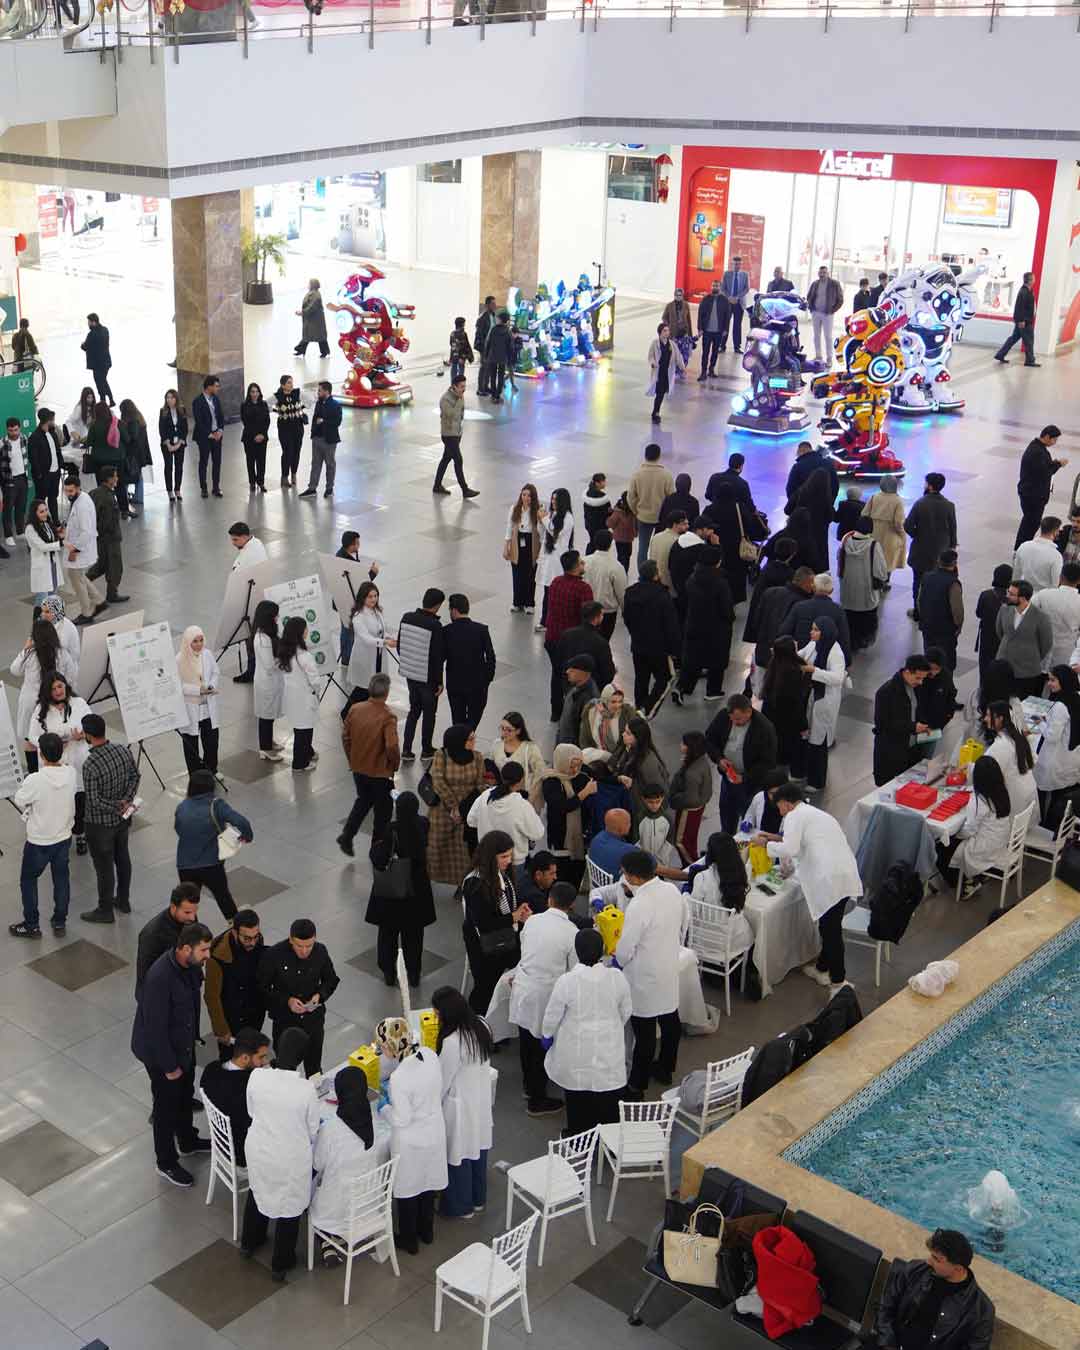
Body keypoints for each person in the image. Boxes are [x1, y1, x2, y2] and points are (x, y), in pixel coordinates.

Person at [755, 783, 862, 992]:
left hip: (828, 879)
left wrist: (765, 845)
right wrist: (774, 838)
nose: (779, 811)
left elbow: (790, 848)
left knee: (831, 932)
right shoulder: (814, 813)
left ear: (786, 803)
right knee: (829, 926)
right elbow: (801, 841)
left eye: (779, 806)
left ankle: (839, 983)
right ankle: (821, 968)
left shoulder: (793, 816)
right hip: (844, 873)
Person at [131, 922, 214, 1187]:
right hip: (161, 1055)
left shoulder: (192, 966)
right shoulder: (159, 978)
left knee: (184, 1095)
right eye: (204, 950)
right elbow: (155, 1029)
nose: (208, 955)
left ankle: (187, 1140)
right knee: (166, 1106)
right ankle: (165, 1161)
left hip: (183, 1046)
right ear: (186, 949)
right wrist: (169, 1067)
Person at [241, 1026, 321, 1279]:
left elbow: (251, 1111)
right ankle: (281, 1262)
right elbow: (313, 1130)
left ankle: (249, 1242)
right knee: (289, 1207)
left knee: (258, 1190)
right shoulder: (306, 1090)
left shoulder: (257, 1077)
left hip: (259, 1148)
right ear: (301, 1057)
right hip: (290, 1157)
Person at [543, 927, 632, 1136]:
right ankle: (608, 1142)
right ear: (602, 950)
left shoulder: (567, 981)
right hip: (609, 1049)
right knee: (609, 1098)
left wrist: (547, 1034)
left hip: (576, 1051)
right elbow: (626, 1010)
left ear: (577, 951)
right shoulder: (617, 977)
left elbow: (552, 1014)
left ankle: (578, 1139)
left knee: (578, 1097)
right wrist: (611, 1026)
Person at [615, 850, 685, 1094]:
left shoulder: (639, 904)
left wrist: (618, 961)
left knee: (644, 1035)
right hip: (668, 965)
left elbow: (626, 948)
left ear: (634, 877)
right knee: (670, 1021)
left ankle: (637, 1084)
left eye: (625, 873)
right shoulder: (671, 890)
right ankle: (666, 1068)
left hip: (644, 976)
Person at [377, 1018, 447, 1254]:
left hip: (411, 1141)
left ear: (390, 1045)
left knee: (408, 1191)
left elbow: (401, 1119)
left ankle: (409, 1240)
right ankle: (426, 1232)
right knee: (427, 1185)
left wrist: (385, 1107)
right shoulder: (429, 1055)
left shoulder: (399, 1078)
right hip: (434, 1132)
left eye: (383, 1046)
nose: (382, 1051)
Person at [508, 879, 577, 1118]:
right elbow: (573, 972)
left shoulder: (533, 921)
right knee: (540, 1047)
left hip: (524, 987)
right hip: (545, 995)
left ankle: (530, 1087)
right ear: (572, 905)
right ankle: (537, 1100)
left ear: (549, 900)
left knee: (526, 1042)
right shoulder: (571, 932)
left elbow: (526, 949)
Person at [871, 1227, 995, 1350]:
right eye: (932, 1255)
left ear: (958, 1268)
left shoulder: (982, 1310)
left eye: (937, 1259)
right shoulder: (915, 1270)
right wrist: (888, 1344)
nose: (929, 1261)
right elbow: (885, 1307)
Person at [430, 987, 494, 1220]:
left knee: (458, 1156)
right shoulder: (482, 1025)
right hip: (480, 1101)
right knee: (477, 1151)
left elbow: (442, 1081)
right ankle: (478, 1199)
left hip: (459, 1107)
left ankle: (461, 1206)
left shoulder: (452, 1042)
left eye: (437, 1014)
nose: (436, 1018)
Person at [308, 1066, 378, 1268]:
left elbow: (317, 1164)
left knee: (312, 1189)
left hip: (336, 1207)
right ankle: (334, 1239)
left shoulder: (331, 1129)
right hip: (366, 1203)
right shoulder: (370, 1122)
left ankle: (327, 1242)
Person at [9, 731, 75, 939]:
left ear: (41, 755)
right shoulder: (71, 773)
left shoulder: (35, 780)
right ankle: (59, 922)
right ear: (62, 751)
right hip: (63, 837)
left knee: (28, 880)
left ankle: (32, 925)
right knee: (61, 879)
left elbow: (20, 799)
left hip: (39, 841)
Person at [367, 790, 434, 987]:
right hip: (417, 890)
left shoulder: (391, 829)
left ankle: (389, 972)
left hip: (393, 889)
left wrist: (376, 848)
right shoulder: (423, 824)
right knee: (414, 935)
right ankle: (414, 973)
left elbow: (379, 859)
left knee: (388, 933)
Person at [259, 918, 340, 1079]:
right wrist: (287, 1001)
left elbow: (331, 980)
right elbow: (262, 988)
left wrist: (320, 996)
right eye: (299, 946)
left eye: (309, 946)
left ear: (315, 939)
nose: (304, 951)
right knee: (284, 1069)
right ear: (291, 940)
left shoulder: (320, 951)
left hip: (313, 1021)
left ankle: (315, 1092)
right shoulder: (274, 955)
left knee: (314, 1068)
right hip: (285, 1022)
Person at [78, 713, 139, 924]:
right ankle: (123, 900)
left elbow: (94, 800)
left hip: (99, 826)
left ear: (88, 735)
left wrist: (116, 806)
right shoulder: (123, 750)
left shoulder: (90, 764)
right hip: (122, 821)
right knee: (123, 858)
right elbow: (135, 776)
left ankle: (105, 910)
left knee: (104, 868)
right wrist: (126, 801)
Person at [460, 829, 527, 1015]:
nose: (509, 860)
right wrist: (513, 917)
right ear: (490, 856)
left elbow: (505, 906)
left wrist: (519, 913)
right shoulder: (474, 883)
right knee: (485, 990)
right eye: (504, 856)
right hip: (484, 945)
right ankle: (478, 1023)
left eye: (510, 855)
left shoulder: (500, 874)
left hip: (503, 937)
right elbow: (483, 923)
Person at [175, 769, 252, 920]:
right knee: (222, 895)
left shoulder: (182, 806)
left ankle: (192, 929)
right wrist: (247, 837)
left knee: (189, 904)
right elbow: (241, 822)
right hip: (212, 864)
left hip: (185, 864)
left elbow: (179, 829)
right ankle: (233, 924)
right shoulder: (216, 805)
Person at [338, 672, 399, 856]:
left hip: (358, 768)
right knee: (383, 812)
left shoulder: (355, 709)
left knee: (363, 800)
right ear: (386, 693)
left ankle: (347, 835)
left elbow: (345, 737)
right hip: (380, 772)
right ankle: (377, 849)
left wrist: (352, 759)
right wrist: (394, 765)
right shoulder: (388, 716)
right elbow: (391, 746)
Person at [936, 757, 1014, 900]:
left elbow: (969, 831)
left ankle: (966, 884)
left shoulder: (979, 800)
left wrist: (953, 835)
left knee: (940, 849)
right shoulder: (1001, 790)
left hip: (984, 847)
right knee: (950, 840)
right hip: (1000, 841)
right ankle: (975, 875)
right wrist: (966, 765)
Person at [705, 693, 778, 832]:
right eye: (732, 719)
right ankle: (727, 839)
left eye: (738, 719)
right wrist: (719, 759)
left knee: (749, 820)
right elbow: (709, 739)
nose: (734, 722)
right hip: (728, 779)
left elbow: (768, 762)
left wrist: (744, 777)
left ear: (749, 712)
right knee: (727, 815)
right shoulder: (724, 716)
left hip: (751, 785)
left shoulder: (764, 728)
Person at [199, 1028, 270, 1167]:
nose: (265, 1061)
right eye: (261, 1057)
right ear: (244, 1057)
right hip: (242, 1154)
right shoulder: (248, 1089)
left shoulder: (211, 1069)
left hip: (222, 1141)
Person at [427, 724, 486, 887]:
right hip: (443, 810)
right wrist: (454, 806)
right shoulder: (441, 755)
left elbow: (481, 784)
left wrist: (462, 809)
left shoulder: (477, 757)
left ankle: (463, 884)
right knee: (437, 846)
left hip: (467, 810)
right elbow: (438, 782)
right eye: (470, 739)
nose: (474, 742)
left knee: (464, 850)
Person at [675, 547, 735, 703]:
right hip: (717, 629)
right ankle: (713, 691)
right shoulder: (721, 583)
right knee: (717, 661)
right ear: (717, 562)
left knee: (693, 660)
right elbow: (727, 609)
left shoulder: (691, 579)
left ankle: (682, 687)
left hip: (694, 624)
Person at [622, 559, 681, 714]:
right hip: (658, 647)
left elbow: (626, 617)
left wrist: (635, 633)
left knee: (641, 678)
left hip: (638, 644)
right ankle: (647, 710)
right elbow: (671, 625)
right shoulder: (662, 595)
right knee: (665, 678)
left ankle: (639, 707)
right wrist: (675, 649)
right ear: (655, 576)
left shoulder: (630, 593)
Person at [204, 909, 266, 1058]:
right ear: (234, 932)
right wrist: (221, 1030)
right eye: (247, 938)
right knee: (231, 1059)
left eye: (255, 937)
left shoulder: (257, 940)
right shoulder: (217, 956)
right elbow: (211, 997)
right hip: (232, 1019)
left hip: (254, 1012)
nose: (252, 942)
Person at [397, 587, 445, 764]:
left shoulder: (407, 617)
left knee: (414, 711)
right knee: (429, 714)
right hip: (427, 678)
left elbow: (400, 646)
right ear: (437, 606)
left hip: (411, 674)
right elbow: (437, 657)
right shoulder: (435, 626)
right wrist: (439, 681)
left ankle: (406, 749)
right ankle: (426, 749)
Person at [797, 618, 846, 793]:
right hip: (811, 696)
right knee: (807, 737)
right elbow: (800, 655)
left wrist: (814, 671)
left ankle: (817, 781)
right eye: (812, 629)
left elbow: (837, 678)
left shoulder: (836, 652)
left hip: (825, 700)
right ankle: (803, 772)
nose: (812, 632)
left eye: (816, 630)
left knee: (819, 740)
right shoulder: (813, 645)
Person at [544, 551, 593, 720]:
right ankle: (571, 714)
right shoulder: (583, 589)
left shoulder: (556, 582)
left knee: (557, 673)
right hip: (571, 642)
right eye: (581, 562)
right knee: (573, 677)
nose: (583, 564)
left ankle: (555, 711)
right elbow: (588, 616)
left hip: (552, 637)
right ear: (575, 567)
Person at [904, 473, 958, 620]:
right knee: (937, 584)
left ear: (930, 486)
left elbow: (908, 525)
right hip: (940, 553)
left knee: (918, 582)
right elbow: (953, 529)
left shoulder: (920, 503)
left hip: (920, 552)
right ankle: (933, 612)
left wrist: (916, 535)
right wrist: (952, 547)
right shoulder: (949, 505)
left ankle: (918, 611)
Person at [468, 763, 544, 864]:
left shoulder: (485, 796)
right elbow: (538, 833)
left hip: (487, 859)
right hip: (513, 862)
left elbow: (471, 821)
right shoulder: (521, 805)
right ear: (521, 780)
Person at [873, 656, 932, 785]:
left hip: (911, 750)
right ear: (907, 672)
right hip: (891, 753)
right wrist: (913, 727)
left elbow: (918, 710)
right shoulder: (886, 692)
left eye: (923, 678)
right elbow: (883, 724)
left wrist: (922, 724)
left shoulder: (917, 687)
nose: (921, 682)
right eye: (918, 678)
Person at [690, 832, 755, 951]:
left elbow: (693, 911)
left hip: (707, 941)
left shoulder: (702, 877)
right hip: (736, 939)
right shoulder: (740, 873)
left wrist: (685, 896)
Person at [135, 883, 201, 997]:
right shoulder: (152, 935)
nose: (193, 917)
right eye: (187, 912)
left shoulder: (188, 920)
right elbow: (145, 975)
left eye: (195, 911)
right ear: (173, 907)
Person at [1034, 665, 1080, 827]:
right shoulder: (1076, 696)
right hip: (1071, 759)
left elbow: (1052, 736)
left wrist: (1040, 723)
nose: (1049, 684)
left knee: (1043, 797)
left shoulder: (1060, 705)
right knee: (1060, 800)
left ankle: (1041, 826)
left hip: (1055, 760)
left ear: (1064, 681)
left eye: (1053, 680)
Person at [542, 744, 595, 886]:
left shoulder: (581, 776)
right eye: (572, 766)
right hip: (560, 837)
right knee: (562, 876)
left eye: (579, 765)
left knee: (577, 873)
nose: (575, 770)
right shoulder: (551, 781)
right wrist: (584, 793)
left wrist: (619, 779)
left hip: (580, 838)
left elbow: (602, 777)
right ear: (562, 762)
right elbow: (562, 806)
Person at [444, 592, 497, 727]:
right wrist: (488, 678)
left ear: (454, 610)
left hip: (455, 684)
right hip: (478, 684)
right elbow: (491, 656)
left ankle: (460, 738)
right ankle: (468, 736)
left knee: (457, 720)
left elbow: (440, 658)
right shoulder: (481, 630)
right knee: (473, 720)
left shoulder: (447, 631)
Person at [777, 572, 852, 662]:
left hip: (801, 659)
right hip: (826, 660)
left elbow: (784, 632)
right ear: (831, 591)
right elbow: (844, 639)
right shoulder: (838, 611)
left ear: (813, 588)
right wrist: (846, 661)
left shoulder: (799, 607)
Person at [839, 515, 889, 650]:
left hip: (848, 591)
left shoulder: (845, 542)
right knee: (865, 622)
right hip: (866, 593)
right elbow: (881, 571)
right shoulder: (873, 545)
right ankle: (863, 641)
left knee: (850, 620)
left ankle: (850, 641)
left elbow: (840, 562)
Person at [995, 580, 1052, 697]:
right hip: (1004, 665)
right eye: (1008, 592)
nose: (1007, 596)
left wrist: (1031, 655)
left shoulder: (1041, 617)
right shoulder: (1004, 609)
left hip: (1027, 671)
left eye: (1011, 594)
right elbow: (999, 631)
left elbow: (1046, 643)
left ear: (1023, 598)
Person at [278, 616, 320, 772]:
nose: (307, 630)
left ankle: (307, 754)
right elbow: (315, 681)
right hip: (305, 699)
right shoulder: (305, 657)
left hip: (291, 698)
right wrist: (316, 693)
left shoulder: (284, 653)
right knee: (305, 731)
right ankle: (300, 763)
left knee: (299, 728)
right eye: (305, 628)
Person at [176, 625, 220, 775]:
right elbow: (178, 686)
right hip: (191, 709)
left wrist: (211, 686)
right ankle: (195, 775)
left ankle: (211, 770)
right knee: (191, 745)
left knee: (211, 742)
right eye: (195, 641)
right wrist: (198, 690)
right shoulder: (179, 660)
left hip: (207, 708)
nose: (199, 644)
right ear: (188, 642)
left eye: (201, 640)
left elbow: (215, 672)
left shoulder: (207, 654)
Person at [983, 700, 1037, 819]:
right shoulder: (1017, 735)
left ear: (1000, 718)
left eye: (988, 715)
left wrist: (969, 768)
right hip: (1027, 791)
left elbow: (986, 771)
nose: (985, 719)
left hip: (1015, 796)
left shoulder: (1001, 745)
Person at [1014, 425, 1065, 549]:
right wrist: (1058, 464)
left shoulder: (1038, 448)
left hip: (1031, 493)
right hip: (1033, 495)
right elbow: (1044, 473)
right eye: (1054, 439)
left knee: (1030, 523)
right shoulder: (1037, 452)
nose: (1055, 442)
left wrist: (1053, 463)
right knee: (1030, 524)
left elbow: (1042, 467)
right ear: (1047, 436)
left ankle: (1022, 548)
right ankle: (1021, 548)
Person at [344, 578, 393, 706]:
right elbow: (366, 638)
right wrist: (384, 642)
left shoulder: (377, 612)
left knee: (374, 686)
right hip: (365, 658)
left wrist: (389, 638)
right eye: (370, 596)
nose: (374, 599)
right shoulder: (358, 616)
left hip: (378, 656)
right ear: (363, 598)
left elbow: (382, 630)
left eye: (375, 596)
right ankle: (346, 713)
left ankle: (368, 712)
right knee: (363, 689)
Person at [84, 466, 128, 605]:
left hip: (98, 537)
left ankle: (83, 581)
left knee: (102, 564)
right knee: (115, 566)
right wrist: (110, 533)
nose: (117, 478)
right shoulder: (108, 497)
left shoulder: (94, 493)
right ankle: (112, 594)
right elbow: (108, 521)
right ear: (109, 479)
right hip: (110, 538)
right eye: (115, 476)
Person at [628, 443, 675, 571]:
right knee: (660, 547)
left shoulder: (637, 475)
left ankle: (643, 574)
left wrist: (636, 511)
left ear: (645, 456)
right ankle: (658, 572)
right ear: (659, 456)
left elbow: (630, 497)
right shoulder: (666, 475)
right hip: (662, 518)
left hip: (643, 517)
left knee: (643, 547)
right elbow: (671, 497)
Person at [667, 731, 713, 862]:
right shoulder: (701, 761)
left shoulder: (692, 773)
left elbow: (690, 799)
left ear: (691, 747)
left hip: (688, 810)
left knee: (681, 841)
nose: (680, 745)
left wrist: (674, 800)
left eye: (683, 743)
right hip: (699, 806)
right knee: (691, 839)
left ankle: (690, 865)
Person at [250, 599, 286, 761]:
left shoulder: (268, 634)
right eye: (275, 616)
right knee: (265, 715)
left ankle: (269, 741)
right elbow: (269, 665)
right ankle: (265, 748)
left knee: (269, 714)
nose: (277, 618)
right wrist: (284, 658)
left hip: (272, 682)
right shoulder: (262, 639)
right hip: (266, 683)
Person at [917, 549, 964, 672]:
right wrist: (958, 627)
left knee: (929, 660)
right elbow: (957, 611)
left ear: (939, 561)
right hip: (945, 632)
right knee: (945, 664)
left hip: (928, 627)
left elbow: (919, 601)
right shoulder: (953, 583)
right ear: (954, 563)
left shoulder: (926, 577)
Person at [433, 375, 479, 498]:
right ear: (454, 387)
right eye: (461, 387)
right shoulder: (445, 399)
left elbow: (461, 413)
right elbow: (451, 414)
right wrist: (458, 400)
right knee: (458, 460)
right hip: (449, 435)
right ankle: (465, 489)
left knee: (446, 459)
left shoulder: (460, 396)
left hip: (456, 433)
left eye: (465, 386)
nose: (464, 389)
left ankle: (437, 485)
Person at [1032, 562, 1080, 667]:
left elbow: (1027, 613)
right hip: (1066, 656)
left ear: (1061, 577)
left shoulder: (1044, 594)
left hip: (1040, 652)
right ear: (1079, 581)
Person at [492, 710, 547, 801]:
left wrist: (531, 797)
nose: (504, 733)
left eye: (509, 730)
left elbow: (540, 774)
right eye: (502, 728)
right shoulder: (497, 744)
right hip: (500, 793)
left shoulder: (530, 749)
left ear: (518, 731)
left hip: (521, 796)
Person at [790, 467, 835, 574]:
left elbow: (787, 510)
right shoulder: (826, 498)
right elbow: (831, 517)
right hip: (819, 538)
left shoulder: (800, 492)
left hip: (800, 533)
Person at [582, 530, 627, 638]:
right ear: (611, 544)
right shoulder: (616, 566)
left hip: (585, 609)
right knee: (603, 641)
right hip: (607, 613)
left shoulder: (584, 561)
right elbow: (621, 593)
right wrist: (625, 611)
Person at [505, 482, 541, 613]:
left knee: (530, 575)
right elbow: (509, 527)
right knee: (517, 574)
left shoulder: (537, 510)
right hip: (517, 542)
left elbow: (541, 530)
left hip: (531, 543)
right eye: (524, 494)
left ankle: (529, 603)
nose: (526, 498)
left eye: (529, 495)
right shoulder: (515, 508)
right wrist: (506, 546)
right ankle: (517, 602)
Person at [994, 270, 1039, 368]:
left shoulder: (1028, 291)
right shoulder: (1024, 292)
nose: (1034, 280)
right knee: (1029, 340)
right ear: (1030, 280)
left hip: (1024, 320)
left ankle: (1000, 354)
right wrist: (1021, 320)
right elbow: (1020, 307)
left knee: (1013, 338)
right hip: (1024, 321)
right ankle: (1030, 360)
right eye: (1033, 278)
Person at [974, 564, 1013, 680]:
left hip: (986, 638)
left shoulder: (986, 595)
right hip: (1003, 641)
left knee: (984, 667)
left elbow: (978, 613)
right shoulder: (1011, 601)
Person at [24, 498, 64, 605]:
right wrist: (61, 543)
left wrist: (60, 536)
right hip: (42, 567)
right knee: (42, 600)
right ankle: (38, 616)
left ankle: (51, 616)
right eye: (41, 511)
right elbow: (42, 547)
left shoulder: (47, 523)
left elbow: (52, 539)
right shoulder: (30, 528)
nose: (45, 513)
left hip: (53, 564)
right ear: (34, 513)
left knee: (52, 597)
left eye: (46, 510)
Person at [865, 474, 906, 581]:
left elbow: (864, 514)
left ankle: (873, 580)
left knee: (874, 557)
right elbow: (898, 522)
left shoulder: (874, 497)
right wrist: (902, 534)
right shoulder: (897, 500)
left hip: (874, 532)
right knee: (888, 560)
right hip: (890, 535)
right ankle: (885, 581)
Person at [28, 408, 65, 524]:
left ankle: (55, 521)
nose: (53, 421)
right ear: (47, 420)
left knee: (53, 497)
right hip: (43, 475)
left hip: (55, 472)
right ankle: (37, 522)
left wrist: (60, 465)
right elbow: (33, 458)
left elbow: (57, 451)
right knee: (40, 500)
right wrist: (39, 474)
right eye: (52, 419)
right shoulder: (35, 437)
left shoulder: (53, 433)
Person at [580, 684, 637, 757]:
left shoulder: (627, 714)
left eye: (620, 701)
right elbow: (584, 740)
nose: (618, 705)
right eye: (613, 702)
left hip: (620, 759)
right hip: (596, 758)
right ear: (605, 701)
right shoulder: (592, 713)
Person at [192, 375, 225, 500]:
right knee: (204, 462)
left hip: (217, 435)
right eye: (216, 386)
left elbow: (221, 416)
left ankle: (216, 487)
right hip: (204, 437)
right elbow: (199, 421)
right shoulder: (197, 401)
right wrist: (209, 434)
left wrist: (220, 430)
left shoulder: (216, 399)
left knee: (217, 462)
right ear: (209, 387)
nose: (218, 388)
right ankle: (204, 488)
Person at [118, 398, 151, 513]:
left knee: (127, 475)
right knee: (138, 475)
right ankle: (138, 496)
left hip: (133, 453)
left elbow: (132, 437)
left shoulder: (132, 421)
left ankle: (129, 497)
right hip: (141, 453)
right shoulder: (139, 418)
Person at [1013, 516, 1063, 593]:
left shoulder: (1023, 546)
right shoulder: (1056, 556)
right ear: (1055, 532)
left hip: (1024, 593)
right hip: (1043, 595)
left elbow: (1016, 574)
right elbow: (1055, 584)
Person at [785, 440, 840, 511]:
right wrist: (830, 503)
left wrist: (795, 506)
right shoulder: (828, 463)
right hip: (824, 508)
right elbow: (835, 485)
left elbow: (790, 488)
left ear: (801, 451)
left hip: (804, 510)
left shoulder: (797, 466)